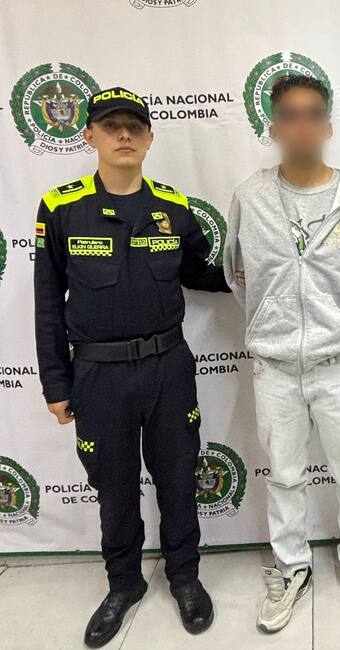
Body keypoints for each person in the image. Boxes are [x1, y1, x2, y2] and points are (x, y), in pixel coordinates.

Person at [34, 87, 230, 647]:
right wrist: (55, 383)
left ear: (148, 138)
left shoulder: (173, 207)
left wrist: (255, 271)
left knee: (178, 478)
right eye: (111, 125)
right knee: (114, 487)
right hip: (99, 376)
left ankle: (184, 577)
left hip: (168, 368)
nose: (124, 134)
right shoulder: (60, 207)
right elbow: (47, 303)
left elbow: (200, 272)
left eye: (134, 126)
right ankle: (123, 583)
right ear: (89, 135)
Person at [223, 75, 340, 633]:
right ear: (273, 128)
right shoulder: (249, 198)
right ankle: (292, 567)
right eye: (289, 115)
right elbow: (238, 277)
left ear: (328, 126)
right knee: (285, 476)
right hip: (275, 368)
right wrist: (277, 323)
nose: (301, 126)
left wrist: (329, 319)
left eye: (312, 114)